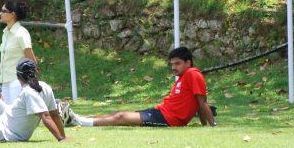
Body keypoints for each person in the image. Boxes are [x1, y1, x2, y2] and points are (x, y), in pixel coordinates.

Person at [64, 46, 216, 128]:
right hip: (160, 112)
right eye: (172, 64)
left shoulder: (193, 74)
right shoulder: (184, 76)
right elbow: (198, 105)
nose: (173, 67)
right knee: (119, 112)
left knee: (120, 118)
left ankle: (78, 121)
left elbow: (201, 103)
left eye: (177, 63)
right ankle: (79, 119)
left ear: (188, 62)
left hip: (168, 119)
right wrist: (204, 126)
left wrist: (212, 125)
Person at [0, 0, 36, 105]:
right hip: (5, 80)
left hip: (17, 81)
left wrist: (30, 80)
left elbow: (31, 59)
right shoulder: (5, 33)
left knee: (15, 113)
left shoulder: (21, 33)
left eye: (3, 11)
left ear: (12, 14)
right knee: (6, 113)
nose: (0, 13)